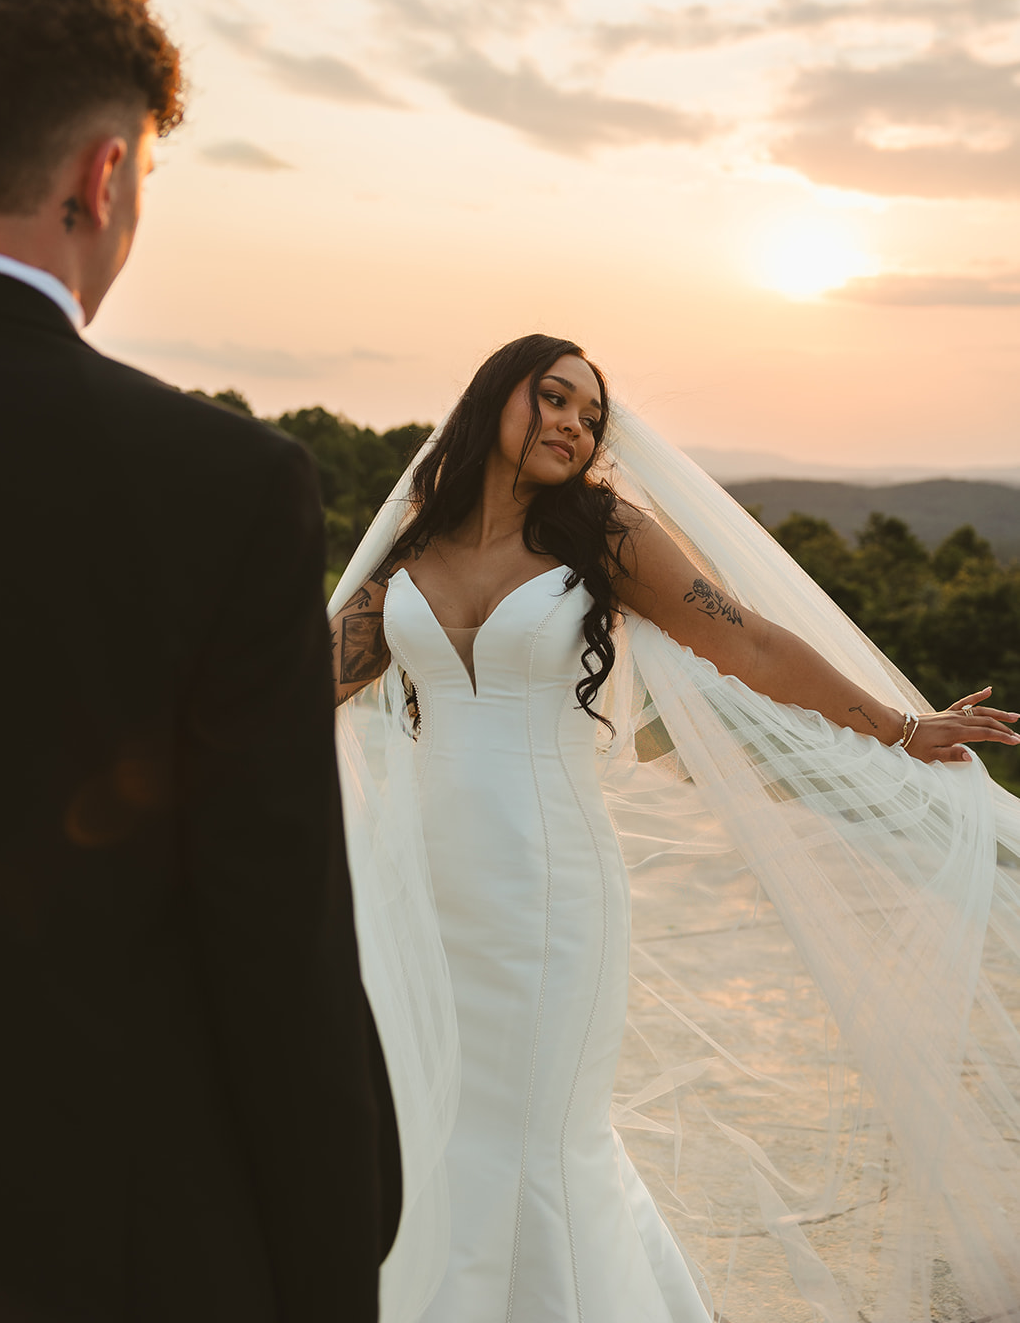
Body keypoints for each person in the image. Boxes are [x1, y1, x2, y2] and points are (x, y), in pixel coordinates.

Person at [329, 333, 1020, 1323]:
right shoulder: (411, 550)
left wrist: (901, 727)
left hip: (550, 891)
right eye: (553, 397)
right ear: (493, 399)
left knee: (537, 1137)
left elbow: (748, 643)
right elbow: (299, 685)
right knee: (438, 1125)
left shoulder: (604, 533)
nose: (573, 424)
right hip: (426, 889)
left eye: (590, 416)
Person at [0, 0, 399, 1323]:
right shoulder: (218, 487)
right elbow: (271, 936)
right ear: (102, 179)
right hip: (73, 1238)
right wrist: (330, 1259)